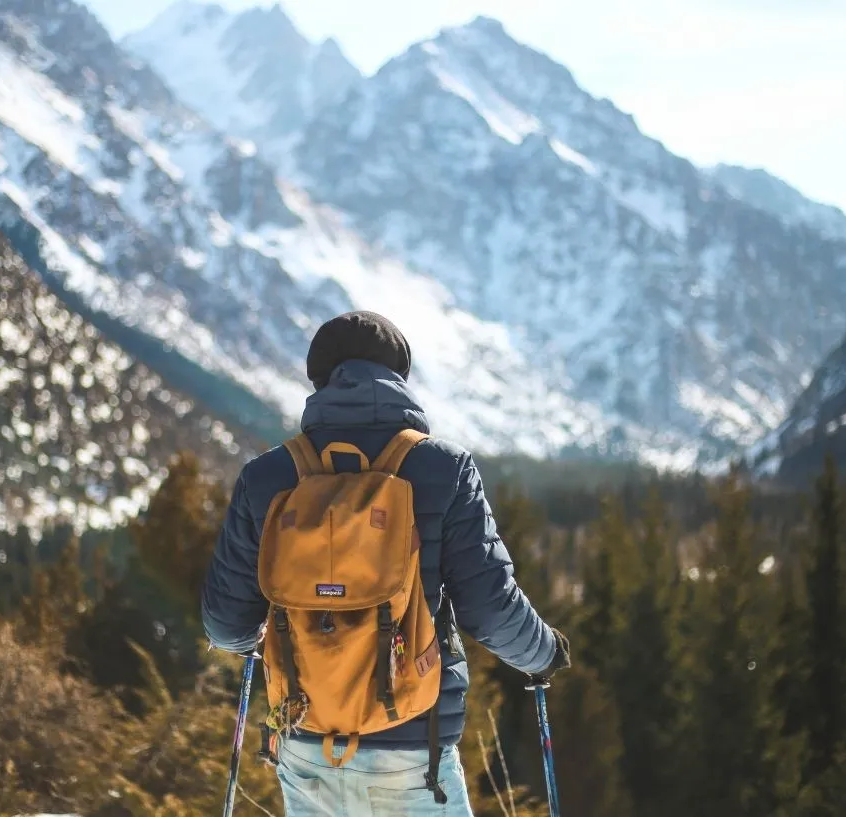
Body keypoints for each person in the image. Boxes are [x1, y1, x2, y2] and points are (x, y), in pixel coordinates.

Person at [202, 311, 571, 816]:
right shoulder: (444, 469)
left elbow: (226, 625)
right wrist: (544, 654)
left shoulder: (267, 476)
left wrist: (267, 641)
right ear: (400, 376)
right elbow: (490, 609)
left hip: (305, 741)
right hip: (412, 747)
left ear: (320, 379)